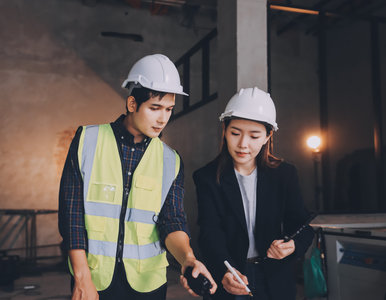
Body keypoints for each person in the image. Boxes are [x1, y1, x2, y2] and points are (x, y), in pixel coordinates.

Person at [58, 54, 217, 300]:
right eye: (155, 108)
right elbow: (72, 216)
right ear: (132, 104)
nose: (163, 118)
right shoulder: (87, 141)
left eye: (169, 109)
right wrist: (81, 278)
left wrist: (188, 258)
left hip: (148, 284)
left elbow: (172, 221)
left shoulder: (170, 160)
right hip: (95, 280)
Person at [193, 87, 314, 300]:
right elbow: (210, 232)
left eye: (254, 135)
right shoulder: (207, 177)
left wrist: (292, 245)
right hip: (232, 276)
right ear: (225, 130)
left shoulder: (284, 175)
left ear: (268, 136)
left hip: (275, 277)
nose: (243, 144)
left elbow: (302, 226)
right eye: (235, 133)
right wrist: (224, 271)